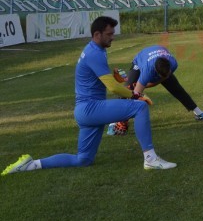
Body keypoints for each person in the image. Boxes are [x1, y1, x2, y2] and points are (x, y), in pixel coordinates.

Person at [1, 16, 175, 177]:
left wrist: (115, 77)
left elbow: (102, 79)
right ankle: (151, 159)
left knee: (83, 159)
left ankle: (30, 165)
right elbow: (114, 89)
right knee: (140, 107)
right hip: (91, 109)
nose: (112, 37)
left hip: (86, 111)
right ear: (97, 34)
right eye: (109, 34)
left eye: (113, 33)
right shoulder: (94, 53)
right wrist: (136, 95)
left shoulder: (95, 49)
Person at [107, 45, 203, 135]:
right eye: (162, 76)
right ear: (155, 72)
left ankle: (199, 113)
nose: (165, 78)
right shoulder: (147, 71)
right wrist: (124, 120)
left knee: (177, 89)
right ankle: (114, 122)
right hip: (140, 61)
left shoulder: (173, 64)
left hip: (158, 55)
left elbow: (161, 79)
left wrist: (160, 80)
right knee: (126, 90)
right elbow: (137, 95)